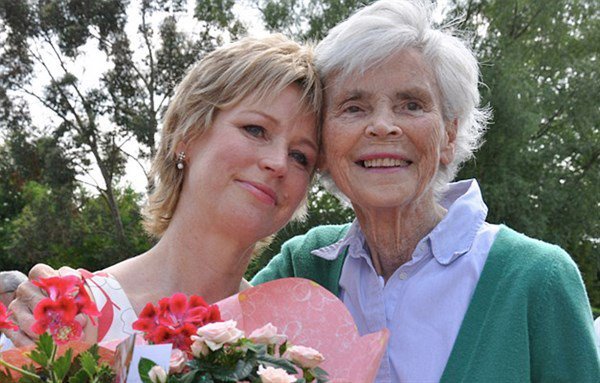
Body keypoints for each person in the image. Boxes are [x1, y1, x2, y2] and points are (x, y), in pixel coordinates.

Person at [251, 1, 600, 382]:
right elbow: (193, 337)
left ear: (449, 135)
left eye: (411, 105)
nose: (382, 126)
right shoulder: (306, 265)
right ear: (323, 144)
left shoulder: (537, 278)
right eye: (354, 108)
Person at [2, 33, 322, 346]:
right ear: (186, 136)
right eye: (256, 129)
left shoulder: (289, 343)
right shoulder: (57, 323)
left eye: (300, 156)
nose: (279, 163)